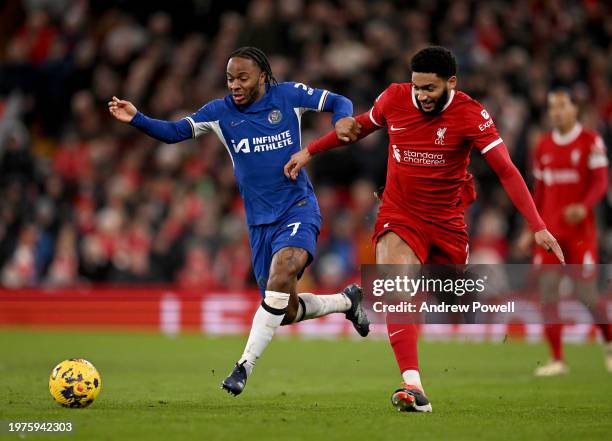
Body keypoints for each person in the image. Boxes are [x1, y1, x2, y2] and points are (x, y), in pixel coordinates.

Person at [284, 46, 565, 412]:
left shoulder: (471, 114)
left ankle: (374, 303)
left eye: (430, 88)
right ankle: (412, 386)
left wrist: (537, 226)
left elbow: (507, 170)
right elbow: (358, 128)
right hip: (400, 214)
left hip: (447, 223)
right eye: (417, 87)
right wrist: (311, 151)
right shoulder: (395, 99)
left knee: (453, 296)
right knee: (396, 283)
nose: (422, 96)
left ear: (451, 82)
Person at [108, 46, 370, 396]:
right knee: (285, 309)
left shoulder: (288, 97)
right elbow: (173, 133)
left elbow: (339, 101)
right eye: (230, 78)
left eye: (243, 78)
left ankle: (243, 367)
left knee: (284, 269)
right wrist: (137, 117)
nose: (235, 85)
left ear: (262, 75)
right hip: (260, 223)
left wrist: (340, 120)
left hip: (298, 207)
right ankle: (345, 302)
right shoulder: (219, 113)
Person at [518, 89, 611, 376]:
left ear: (574, 109)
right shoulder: (543, 146)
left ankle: (609, 342)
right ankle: (557, 359)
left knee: (586, 295)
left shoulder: (590, 141)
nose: (556, 112)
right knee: (547, 293)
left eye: (561, 106)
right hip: (550, 233)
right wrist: (530, 228)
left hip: (581, 234)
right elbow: (540, 192)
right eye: (552, 107)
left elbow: (600, 182)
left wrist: (583, 207)